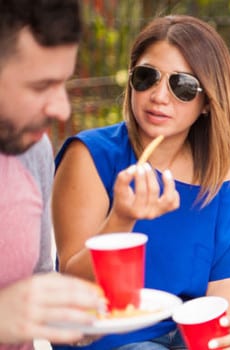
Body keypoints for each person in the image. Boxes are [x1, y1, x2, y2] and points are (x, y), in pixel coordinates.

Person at [51, 15, 230, 350]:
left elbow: (223, 284)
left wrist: (227, 336)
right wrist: (122, 218)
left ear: (209, 101)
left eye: (182, 86)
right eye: (146, 77)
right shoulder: (90, 155)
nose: (159, 96)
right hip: (105, 332)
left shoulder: (223, 171)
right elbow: (72, 277)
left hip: (186, 329)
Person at [0, 0, 105, 347]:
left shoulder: (34, 150)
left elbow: (39, 279)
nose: (62, 109)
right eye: (40, 86)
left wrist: (74, 314)